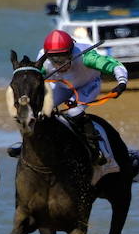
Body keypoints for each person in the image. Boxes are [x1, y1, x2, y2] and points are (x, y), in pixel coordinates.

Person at [28, 29, 129, 165]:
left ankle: (97, 149)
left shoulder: (86, 57)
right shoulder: (42, 58)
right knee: (40, 110)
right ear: (47, 55)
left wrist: (122, 82)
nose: (59, 63)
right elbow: (32, 78)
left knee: (74, 112)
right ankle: (29, 145)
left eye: (63, 58)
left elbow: (114, 65)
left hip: (88, 85)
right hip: (62, 87)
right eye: (54, 59)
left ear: (71, 52)